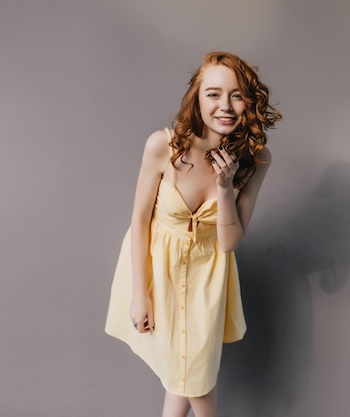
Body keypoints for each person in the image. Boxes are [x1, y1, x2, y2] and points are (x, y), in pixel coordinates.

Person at [105, 51, 281, 417]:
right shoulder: (163, 146)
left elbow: (230, 242)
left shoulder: (256, 158)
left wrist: (224, 185)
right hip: (160, 272)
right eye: (213, 94)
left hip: (208, 276)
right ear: (197, 98)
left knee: (191, 374)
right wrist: (141, 295)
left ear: (249, 100)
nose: (226, 106)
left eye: (236, 94)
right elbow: (138, 220)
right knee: (183, 373)